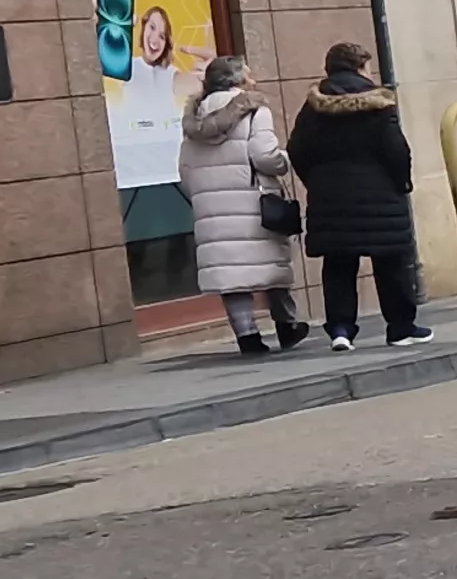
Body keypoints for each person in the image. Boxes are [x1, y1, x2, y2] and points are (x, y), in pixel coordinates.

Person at [289, 40, 430, 350]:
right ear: (361, 67)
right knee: (391, 261)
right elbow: (396, 150)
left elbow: (296, 149)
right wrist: (401, 183)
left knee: (338, 263)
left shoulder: (313, 107)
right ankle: (400, 327)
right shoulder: (379, 105)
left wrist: (316, 181)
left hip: (330, 198)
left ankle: (340, 329)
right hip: (380, 195)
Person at [179, 55, 308, 354]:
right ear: (236, 80)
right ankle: (287, 326)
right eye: (247, 74)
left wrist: (204, 192)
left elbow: (184, 168)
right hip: (252, 200)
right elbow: (264, 156)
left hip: (211, 206)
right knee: (270, 262)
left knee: (232, 271)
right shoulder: (254, 110)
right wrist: (286, 160)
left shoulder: (194, 117)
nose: (253, 80)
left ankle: (247, 335)